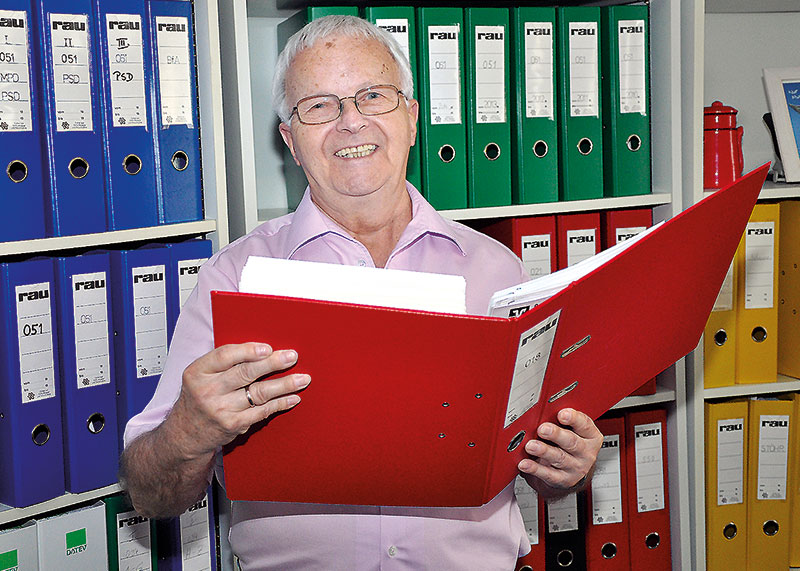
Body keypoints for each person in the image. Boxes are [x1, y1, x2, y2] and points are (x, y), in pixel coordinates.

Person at [120, 15, 602, 569]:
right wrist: (190, 428)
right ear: (291, 142)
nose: (351, 122)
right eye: (319, 106)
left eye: (373, 96)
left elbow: (540, 467)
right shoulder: (234, 277)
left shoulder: (500, 272)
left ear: (413, 118)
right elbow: (151, 494)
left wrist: (566, 467)